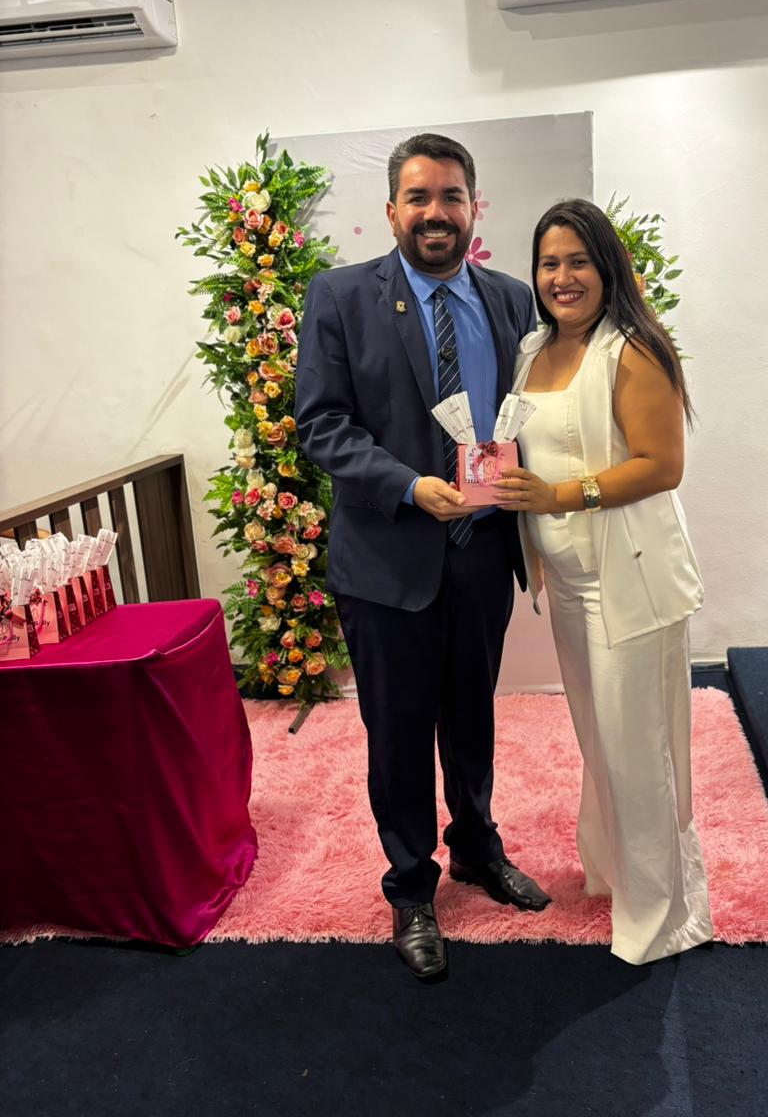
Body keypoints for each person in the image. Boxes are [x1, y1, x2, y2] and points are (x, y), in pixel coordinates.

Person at [295, 133, 550, 984]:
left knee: (473, 717)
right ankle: (411, 888)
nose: (435, 213)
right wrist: (409, 486)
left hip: (482, 553)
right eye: (419, 197)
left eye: (450, 196)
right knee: (399, 732)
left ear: (475, 208)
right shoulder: (340, 297)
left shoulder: (512, 300)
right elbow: (322, 424)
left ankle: (476, 846)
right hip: (386, 560)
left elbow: (528, 416)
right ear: (391, 210)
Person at [494, 198, 712, 965]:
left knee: (639, 748)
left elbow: (662, 465)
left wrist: (562, 496)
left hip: (632, 580)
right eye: (549, 263)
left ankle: (662, 917)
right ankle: (620, 873)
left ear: (607, 267)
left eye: (578, 261)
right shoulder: (532, 349)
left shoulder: (633, 348)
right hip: (570, 581)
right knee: (603, 741)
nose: (562, 277)